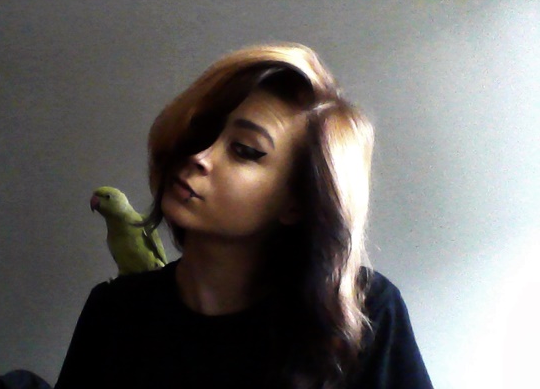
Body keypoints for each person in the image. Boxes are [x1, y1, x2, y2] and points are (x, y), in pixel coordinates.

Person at [54, 43, 433, 389]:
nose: (200, 155)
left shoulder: (361, 311)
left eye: (245, 150)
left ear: (297, 202)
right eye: (204, 130)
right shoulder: (115, 312)